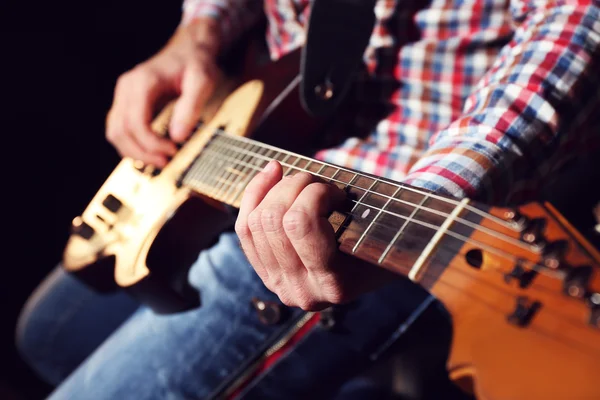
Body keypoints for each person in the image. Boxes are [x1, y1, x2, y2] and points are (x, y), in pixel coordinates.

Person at [16, 0, 600, 399]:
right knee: (49, 333)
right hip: (238, 121)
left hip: (383, 200)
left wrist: (430, 202)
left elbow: (575, 20)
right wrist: (195, 33)